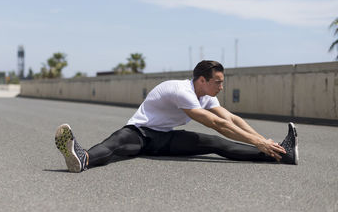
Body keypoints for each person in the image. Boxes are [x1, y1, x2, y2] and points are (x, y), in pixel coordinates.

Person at [55, 60, 298, 173]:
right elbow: (216, 123)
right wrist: (258, 141)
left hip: (166, 139)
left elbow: (231, 119)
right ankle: (82, 157)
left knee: (218, 144)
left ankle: (279, 155)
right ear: (202, 80)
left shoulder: (207, 95)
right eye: (218, 82)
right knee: (116, 143)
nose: (221, 88)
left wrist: (266, 142)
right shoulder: (180, 90)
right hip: (140, 134)